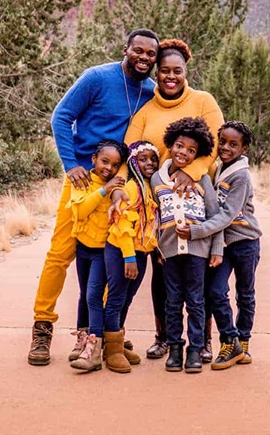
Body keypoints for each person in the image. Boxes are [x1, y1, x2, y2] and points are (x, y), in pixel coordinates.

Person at [28, 29, 159, 366]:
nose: (144, 58)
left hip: (120, 186)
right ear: (125, 49)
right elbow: (61, 116)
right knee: (61, 253)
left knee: (107, 260)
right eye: (138, 50)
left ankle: (98, 333)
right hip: (84, 179)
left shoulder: (150, 91)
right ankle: (42, 327)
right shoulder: (97, 78)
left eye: (151, 54)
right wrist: (70, 164)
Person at [118, 39, 224, 360]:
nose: (171, 77)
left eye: (177, 71)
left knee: (199, 276)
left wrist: (191, 172)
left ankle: (203, 341)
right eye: (164, 71)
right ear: (156, 72)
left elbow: (216, 144)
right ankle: (164, 337)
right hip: (159, 204)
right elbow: (129, 152)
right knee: (163, 274)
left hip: (197, 199)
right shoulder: (145, 112)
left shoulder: (203, 101)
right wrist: (126, 188)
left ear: (186, 70)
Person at [178, 121, 261, 369]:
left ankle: (243, 342)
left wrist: (196, 232)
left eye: (233, 144)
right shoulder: (216, 168)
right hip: (224, 243)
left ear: (244, 149)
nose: (226, 147)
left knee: (245, 294)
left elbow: (225, 215)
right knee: (215, 291)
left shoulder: (241, 176)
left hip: (245, 242)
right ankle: (230, 340)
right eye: (222, 142)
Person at [152, 117, 224, 374]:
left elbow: (215, 215)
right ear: (171, 145)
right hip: (169, 252)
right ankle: (175, 349)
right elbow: (155, 217)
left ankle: (195, 348)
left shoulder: (202, 179)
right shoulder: (157, 179)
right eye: (180, 146)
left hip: (198, 252)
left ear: (198, 154)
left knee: (195, 301)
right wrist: (158, 248)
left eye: (191, 150)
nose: (184, 152)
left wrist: (217, 248)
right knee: (172, 302)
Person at [68, 140, 129, 373]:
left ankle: (94, 350)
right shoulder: (83, 181)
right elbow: (81, 210)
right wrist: (104, 189)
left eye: (115, 165)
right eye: (104, 161)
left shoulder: (117, 188)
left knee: (94, 295)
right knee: (84, 294)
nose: (109, 168)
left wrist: (112, 188)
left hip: (103, 251)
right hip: (83, 246)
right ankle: (83, 339)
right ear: (93, 159)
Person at [101, 141, 160, 373]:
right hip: (122, 251)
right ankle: (112, 352)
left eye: (153, 159)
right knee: (116, 298)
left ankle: (116, 341)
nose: (149, 163)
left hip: (141, 253)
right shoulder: (132, 188)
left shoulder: (148, 187)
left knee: (127, 298)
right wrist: (128, 258)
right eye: (143, 159)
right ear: (133, 162)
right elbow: (122, 222)